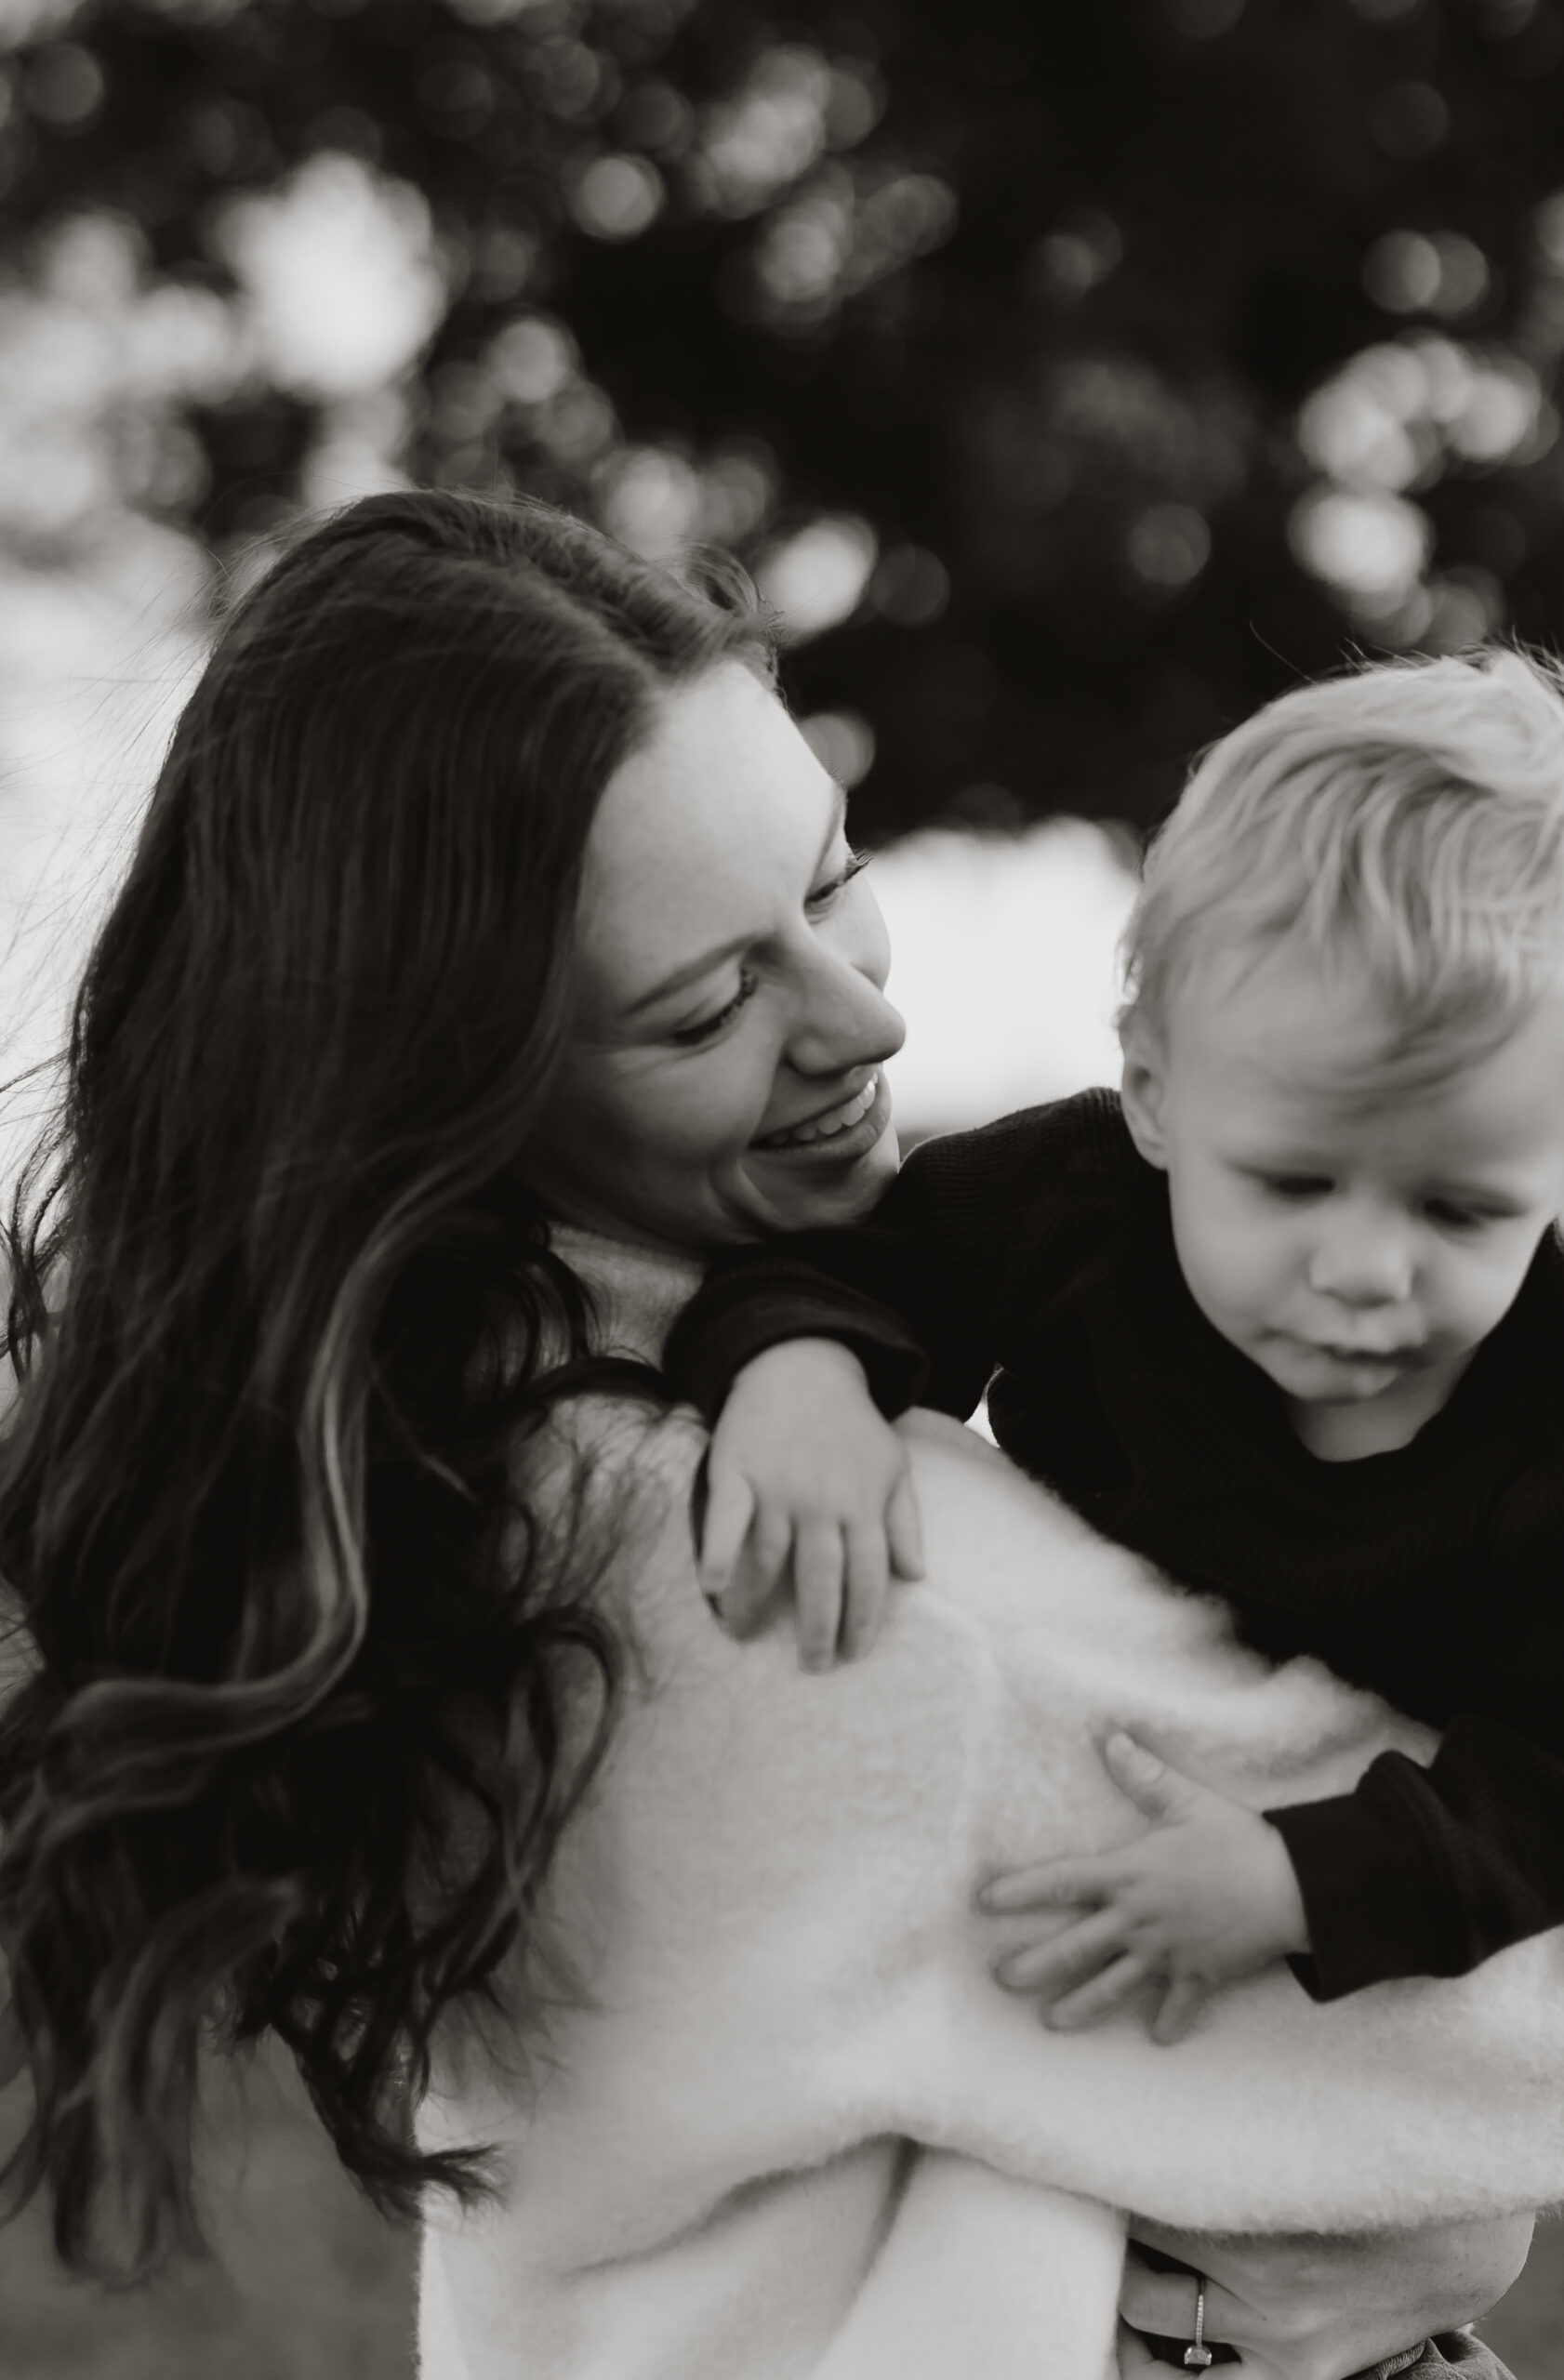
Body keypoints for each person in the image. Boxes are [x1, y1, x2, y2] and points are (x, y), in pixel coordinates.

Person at [0, 493, 1553, 2380]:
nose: (867, 1015)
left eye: (825, 880)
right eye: (710, 999)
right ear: (452, 1074)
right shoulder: (727, 1550)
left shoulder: (475, 1440)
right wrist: (1442, 2222)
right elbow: (1466, 2058)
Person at [663, 649, 1564, 2041]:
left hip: (1330, 1941)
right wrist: (801, 1374)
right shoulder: (1078, 1208)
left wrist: (1298, 1877)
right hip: (1031, 1825)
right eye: (1290, 1183)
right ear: (1150, 1094)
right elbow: (849, 1265)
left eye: (1462, 1209)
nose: (1366, 1272)